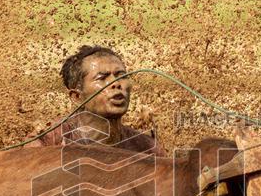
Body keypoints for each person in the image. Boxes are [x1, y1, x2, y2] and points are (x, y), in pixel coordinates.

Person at [26, 45, 164, 155]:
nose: (116, 83)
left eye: (121, 75)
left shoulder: (147, 148)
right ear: (77, 97)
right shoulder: (48, 143)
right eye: (102, 78)